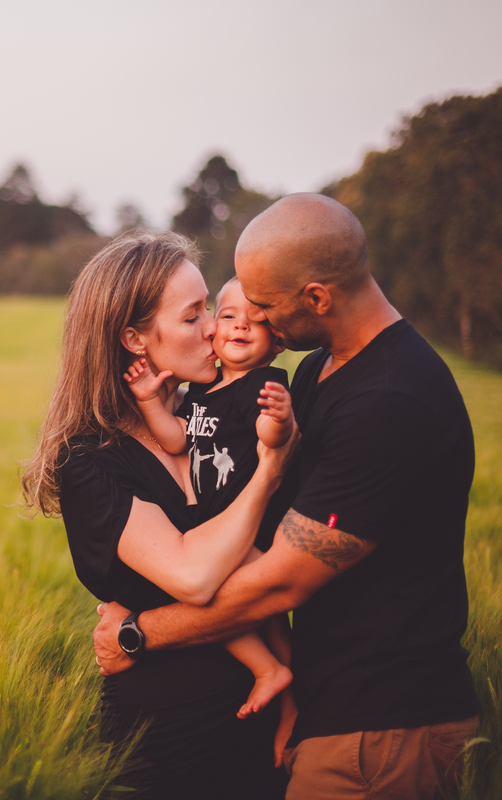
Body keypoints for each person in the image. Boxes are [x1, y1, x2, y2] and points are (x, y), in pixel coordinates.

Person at [93, 194, 481, 800]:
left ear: (317, 297)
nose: (250, 324)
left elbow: (282, 581)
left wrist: (138, 634)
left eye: (267, 307)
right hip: (338, 712)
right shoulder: (320, 370)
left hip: (383, 729)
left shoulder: (389, 402)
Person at [20, 231, 296, 798]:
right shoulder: (90, 460)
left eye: (209, 310)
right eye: (193, 316)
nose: (214, 329)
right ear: (134, 339)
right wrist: (270, 472)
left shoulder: (208, 418)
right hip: (171, 737)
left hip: (266, 719)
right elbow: (194, 576)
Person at [123, 276, 296, 722]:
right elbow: (178, 439)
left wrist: (280, 420)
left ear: (277, 341)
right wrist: (149, 401)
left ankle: (276, 674)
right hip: (212, 524)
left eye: (255, 321)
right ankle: (276, 673)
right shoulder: (203, 389)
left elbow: (269, 436)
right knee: (245, 606)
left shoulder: (263, 384)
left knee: (247, 603)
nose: (240, 326)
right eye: (228, 315)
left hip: (245, 519)